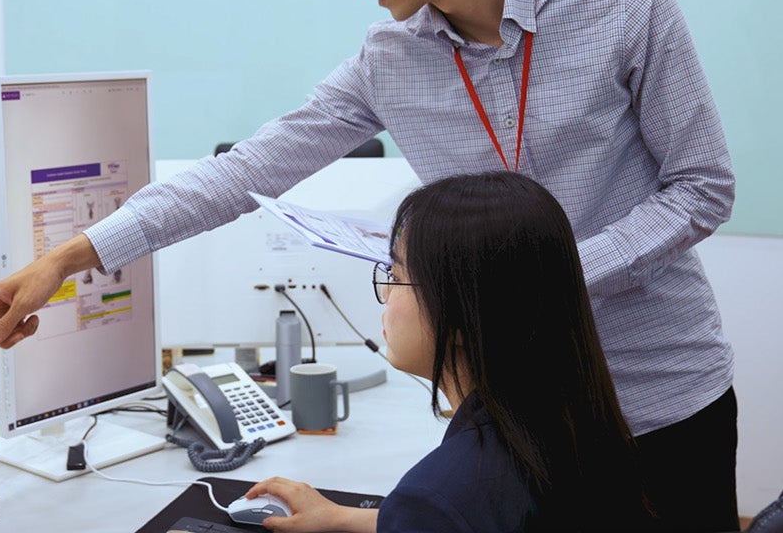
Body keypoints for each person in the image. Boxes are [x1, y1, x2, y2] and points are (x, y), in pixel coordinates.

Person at [0, 0, 738, 527]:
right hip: (519, 420)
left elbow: (703, 188)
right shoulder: (389, 63)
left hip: (659, 398)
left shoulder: (625, 4)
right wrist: (68, 259)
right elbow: (242, 172)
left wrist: (554, 277)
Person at [246, 171, 656, 532]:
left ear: (460, 317)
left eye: (397, 275)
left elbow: (446, 512)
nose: (386, 293)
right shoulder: (572, 421)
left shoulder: (442, 492)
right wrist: (342, 517)